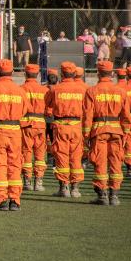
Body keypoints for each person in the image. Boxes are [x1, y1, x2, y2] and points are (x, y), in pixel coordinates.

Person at [0, 59, 30, 211]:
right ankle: (15, 200)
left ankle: (1, 200)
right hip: (15, 132)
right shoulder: (20, 91)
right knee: (15, 165)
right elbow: (24, 111)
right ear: (12, 72)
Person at [84, 60, 128, 205]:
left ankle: (102, 195)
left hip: (99, 131)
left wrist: (86, 136)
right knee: (116, 162)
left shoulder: (92, 91)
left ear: (98, 73)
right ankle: (114, 196)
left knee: (100, 162)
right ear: (112, 74)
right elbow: (126, 117)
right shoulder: (121, 92)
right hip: (116, 131)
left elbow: (87, 116)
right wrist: (125, 134)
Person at [45, 61, 88, 198]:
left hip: (60, 126)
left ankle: (64, 188)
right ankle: (75, 189)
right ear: (74, 73)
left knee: (62, 156)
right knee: (76, 156)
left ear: (61, 74)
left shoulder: (55, 89)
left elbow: (47, 104)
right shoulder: (83, 89)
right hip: (76, 126)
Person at [19, 64, 48, 191]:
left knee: (26, 152)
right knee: (40, 153)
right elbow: (49, 110)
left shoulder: (20, 89)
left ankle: (27, 181)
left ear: (25, 74)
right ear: (38, 75)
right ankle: (39, 181)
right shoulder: (44, 90)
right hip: (40, 125)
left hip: (26, 125)